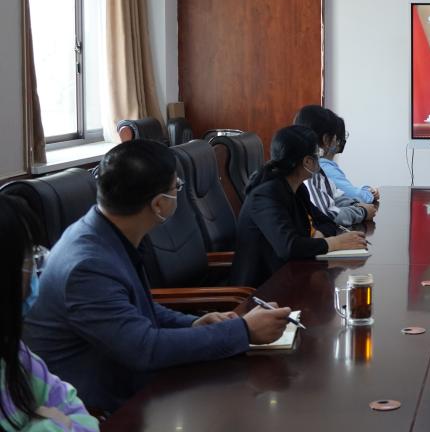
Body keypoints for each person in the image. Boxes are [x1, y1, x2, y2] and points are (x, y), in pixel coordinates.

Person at [22, 141, 292, 413]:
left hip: (128, 380)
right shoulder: (88, 266)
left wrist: (193, 323)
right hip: (95, 409)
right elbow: (144, 349)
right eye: (177, 187)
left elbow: (138, 308)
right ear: (159, 204)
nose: (179, 193)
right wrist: (243, 331)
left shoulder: (103, 232)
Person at [1, 195, 99, 431]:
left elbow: (82, 418)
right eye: (29, 258)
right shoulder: (86, 261)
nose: (35, 269)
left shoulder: (14, 354)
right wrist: (51, 425)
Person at [232, 125, 367, 287]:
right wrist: (335, 243)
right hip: (261, 289)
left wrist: (318, 235)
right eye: (318, 153)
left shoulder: (297, 188)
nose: (320, 159)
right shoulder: (265, 196)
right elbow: (289, 247)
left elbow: (327, 223)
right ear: (307, 161)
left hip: (290, 276)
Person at [294, 105, 377, 227]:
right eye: (336, 137)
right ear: (326, 140)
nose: (338, 141)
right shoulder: (309, 172)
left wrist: (356, 206)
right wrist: (362, 211)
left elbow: (336, 196)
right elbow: (328, 216)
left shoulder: (316, 170)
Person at [319, 113, 380, 205]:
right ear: (328, 139)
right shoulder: (326, 168)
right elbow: (355, 196)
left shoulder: (321, 165)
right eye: (341, 136)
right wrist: (369, 192)